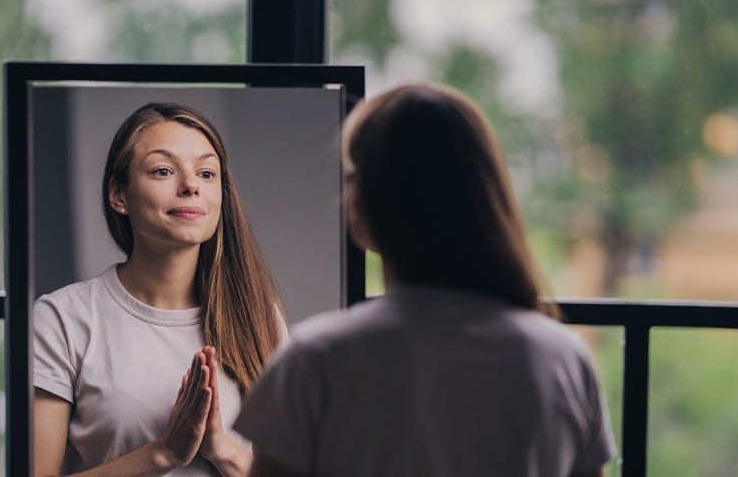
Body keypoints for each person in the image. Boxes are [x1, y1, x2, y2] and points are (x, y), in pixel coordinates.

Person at [233, 83, 617, 477]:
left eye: (350, 176)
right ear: (486, 195)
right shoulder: (563, 359)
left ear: (363, 203)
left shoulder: (316, 360)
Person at [32, 102, 286, 477]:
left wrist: (221, 449)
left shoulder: (260, 317)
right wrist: (164, 452)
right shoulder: (61, 319)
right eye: (164, 170)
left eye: (206, 173)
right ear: (119, 196)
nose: (190, 186)